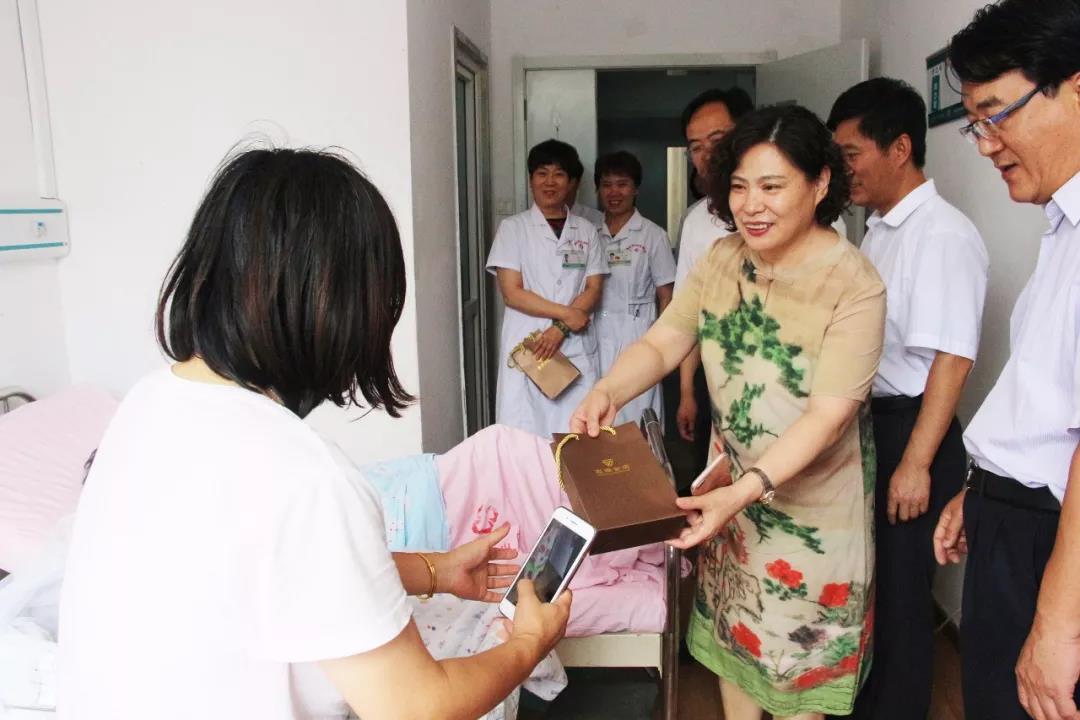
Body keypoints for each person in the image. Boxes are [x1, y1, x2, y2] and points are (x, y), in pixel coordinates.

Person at [57, 148, 571, 720]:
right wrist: (529, 642)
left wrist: (436, 570)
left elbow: (267, 564)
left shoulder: (150, 402)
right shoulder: (308, 479)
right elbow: (418, 708)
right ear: (344, 306)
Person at [573, 105, 885, 720]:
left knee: (796, 678)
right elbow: (665, 340)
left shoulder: (853, 285)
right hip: (731, 505)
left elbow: (827, 418)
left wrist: (741, 494)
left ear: (820, 182)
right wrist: (608, 390)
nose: (752, 205)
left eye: (772, 186)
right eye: (740, 187)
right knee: (733, 650)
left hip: (813, 520)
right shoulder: (720, 259)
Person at [931, 2, 1080, 719]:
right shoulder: (1062, 228)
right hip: (1015, 521)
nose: (986, 144)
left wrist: (1057, 625)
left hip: (1053, 548)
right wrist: (984, 489)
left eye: (996, 115)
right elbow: (1048, 401)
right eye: (974, 124)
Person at [826, 78, 988, 720]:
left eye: (851, 154)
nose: (843, 170)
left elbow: (952, 359)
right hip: (880, 425)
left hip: (915, 431)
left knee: (901, 601)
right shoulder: (879, 230)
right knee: (875, 593)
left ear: (899, 148)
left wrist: (916, 464)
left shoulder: (942, 234)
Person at [487, 138, 607, 439]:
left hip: (573, 346)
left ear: (572, 182)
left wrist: (559, 330)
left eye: (559, 174)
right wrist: (567, 315)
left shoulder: (586, 230)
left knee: (578, 434)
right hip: (528, 345)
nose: (550, 182)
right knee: (525, 436)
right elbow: (512, 293)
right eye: (542, 173)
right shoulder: (513, 229)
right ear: (531, 180)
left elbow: (594, 288)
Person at [673, 87, 755, 469]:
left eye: (718, 140)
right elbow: (684, 318)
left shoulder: (799, 214)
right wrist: (687, 391)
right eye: (696, 147)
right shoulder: (696, 223)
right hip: (715, 382)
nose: (708, 155)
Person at [593, 150, 676, 425]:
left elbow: (666, 295)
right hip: (593, 333)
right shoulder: (589, 232)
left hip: (637, 333)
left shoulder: (653, 235)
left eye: (622, 184)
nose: (614, 192)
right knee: (597, 410)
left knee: (637, 411)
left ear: (636, 189)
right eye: (606, 184)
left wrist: (661, 343)